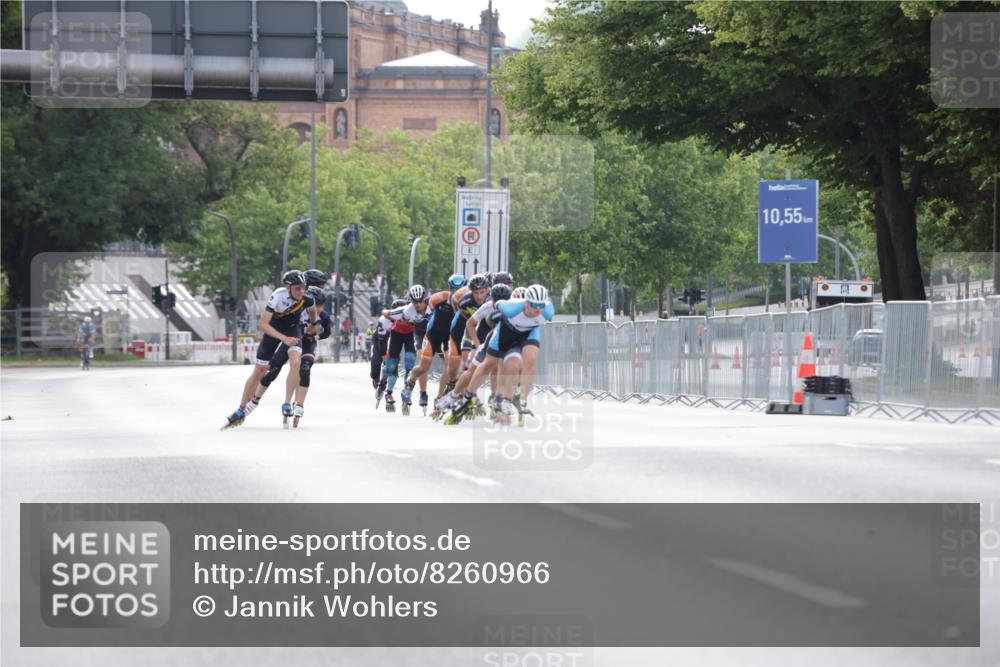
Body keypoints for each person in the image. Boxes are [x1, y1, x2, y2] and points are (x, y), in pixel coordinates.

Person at [223, 270, 318, 429]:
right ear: (288, 288)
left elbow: (313, 310)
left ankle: (287, 403)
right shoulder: (278, 296)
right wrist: (283, 339)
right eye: (297, 288)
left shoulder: (307, 298)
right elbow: (262, 325)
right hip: (273, 330)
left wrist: (313, 325)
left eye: (303, 287)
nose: (301, 291)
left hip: (293, 329)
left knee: (296, 362)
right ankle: (241, 409)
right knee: (260, 370)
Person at [446, 284, 553, 425]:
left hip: (528, 333)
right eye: (533, 305)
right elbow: (491, 315)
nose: (538, 309)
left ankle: (519, 399)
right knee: (489, 364)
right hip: (506, 332)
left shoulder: (548, 311)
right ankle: (468, 396)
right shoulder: (510, 307)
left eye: (541, 305)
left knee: (528, 361)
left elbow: (542, 310)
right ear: (526, 302)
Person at [245, 286, 332, 427]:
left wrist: (315, 337)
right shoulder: (298, 310)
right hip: (294, 340)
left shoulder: (324, 316)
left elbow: (327, 332)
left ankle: (298, 404)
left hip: (308, 343)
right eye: (317, 307)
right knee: (273, 369)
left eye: (321, 307)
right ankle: (255, 400)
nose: (318, 310)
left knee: (304, 369)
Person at [406, 274, 467, 415]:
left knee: (449, 366)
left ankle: (439, 397)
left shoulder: (468, 301)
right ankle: (411, 381)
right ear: (450, 289)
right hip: (433, 334)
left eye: (460, 289)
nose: (457, 293)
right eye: (454, 290)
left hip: (449, 336)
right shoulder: (438, 298)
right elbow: (427, 313)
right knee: (423, 367)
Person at [383, 285, 430, 414]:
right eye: (415, 302)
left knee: (410, 362)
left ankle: (416, 391)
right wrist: (411, 323)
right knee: (393, 365)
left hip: (427, 333)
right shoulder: (406, 310)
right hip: (403, 335)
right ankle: (388, 390)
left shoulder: (433, 304)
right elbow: (385, 313)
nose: (419, 305)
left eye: (421, 301)